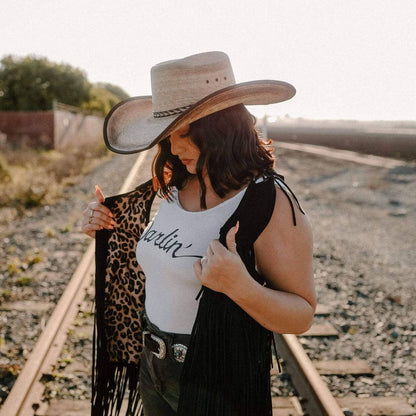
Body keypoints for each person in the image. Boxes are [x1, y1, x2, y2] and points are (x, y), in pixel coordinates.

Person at [81, 51, 316, 416]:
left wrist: (241, 287)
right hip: (153, 369)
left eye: (185, 132)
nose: (174, 148)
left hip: (216, 379)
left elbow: (302, 315)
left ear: (221, 128)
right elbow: (164, 268)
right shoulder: (176, 185)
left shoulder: (269, 201)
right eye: (167, 136)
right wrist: (108, 230)